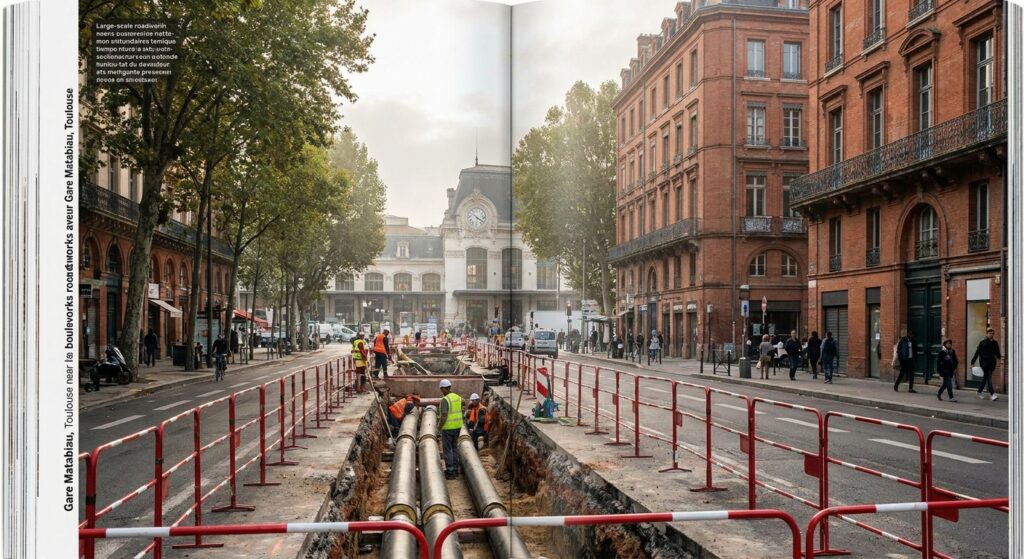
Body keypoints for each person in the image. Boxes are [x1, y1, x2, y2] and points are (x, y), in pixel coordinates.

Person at [437, 379, 463, 479]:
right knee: (454, 448)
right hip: (458, 426)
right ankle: (455, 469)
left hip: (448, 427)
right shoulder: (457, 397)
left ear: (444, 388)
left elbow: (444, 415)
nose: (441, 391)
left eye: (441, 389)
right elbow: (463, 405)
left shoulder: (445, 399)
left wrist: (439, 427)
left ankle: (450, 472)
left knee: (448, 449)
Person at [970, 328, 1002, 401]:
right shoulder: (982, 343)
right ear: (986, 334)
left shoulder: (995, 343)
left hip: (992, 363)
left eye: (992, 333)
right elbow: (977, 353)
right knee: (989, 378)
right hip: (984, 363)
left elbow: (997, 353)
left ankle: (979, 391)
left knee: (985, 379)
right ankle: (992, 394)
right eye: (990, 333)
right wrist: (972, 362)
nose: (991, 335)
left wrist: (1000, 358)